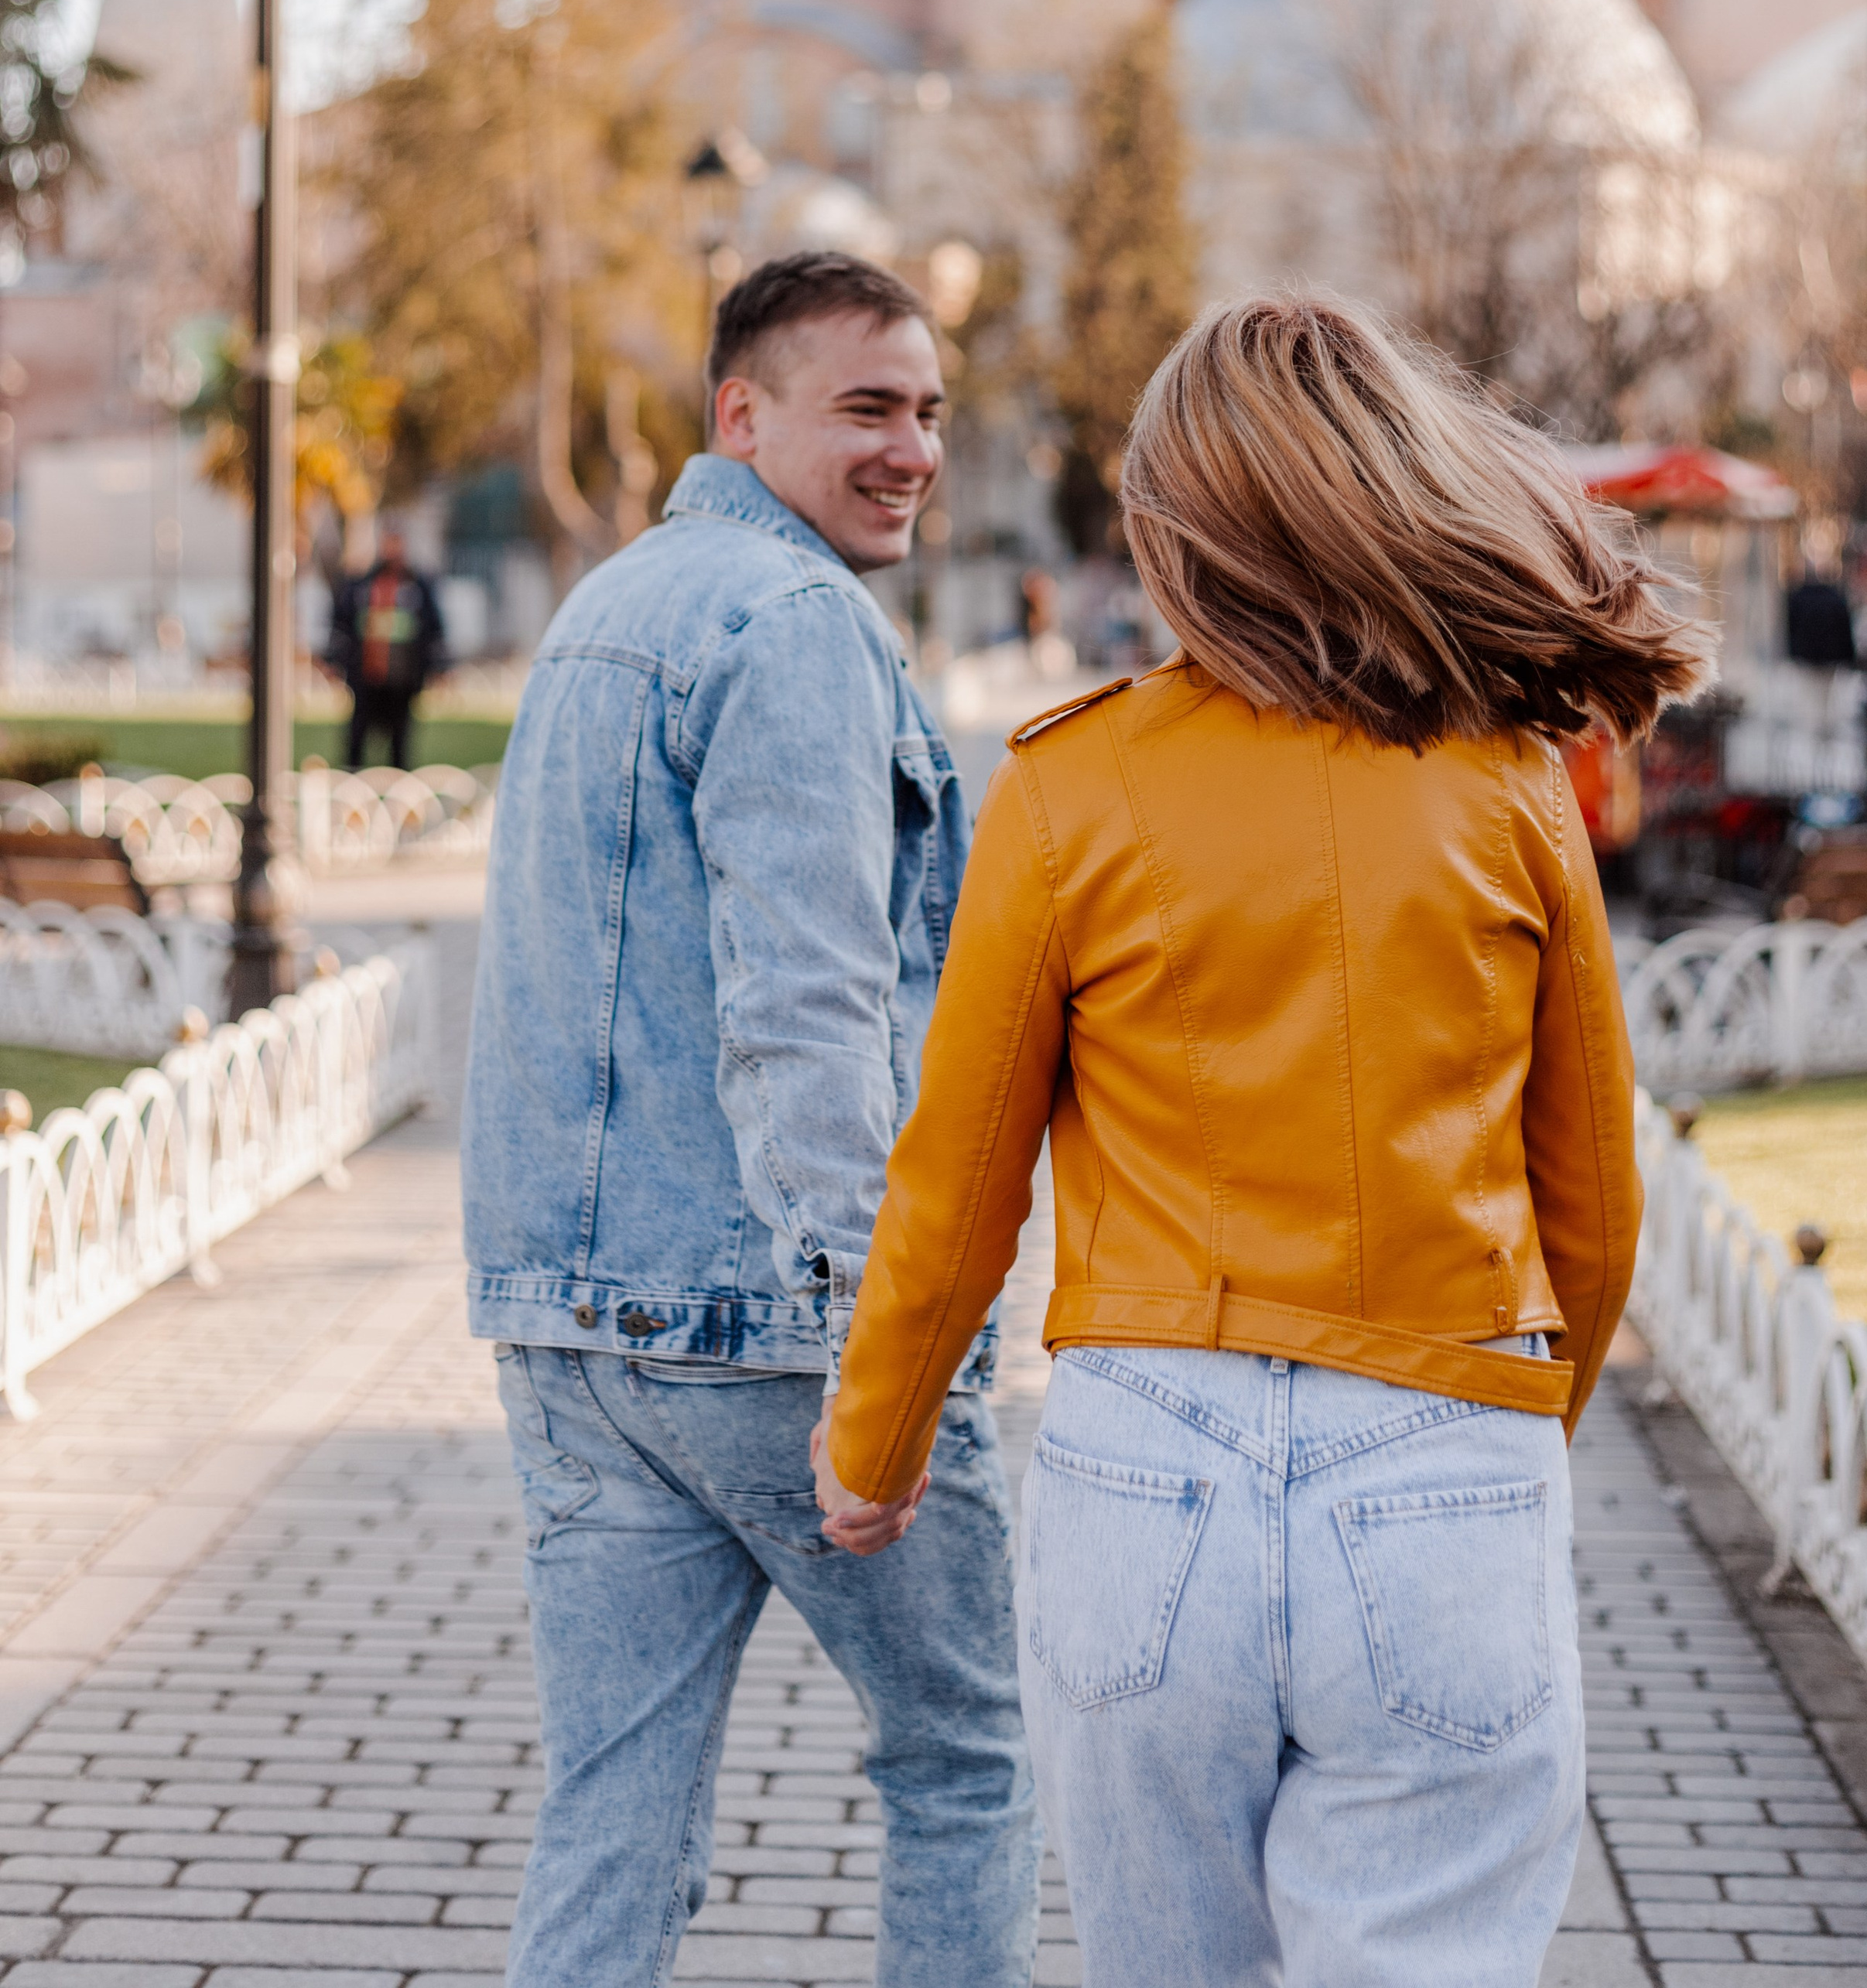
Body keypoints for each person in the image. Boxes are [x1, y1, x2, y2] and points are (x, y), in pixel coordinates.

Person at [817, 292, 1711, 1988]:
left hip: (1142, 1466)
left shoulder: (1068, 787)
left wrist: (873, 1447)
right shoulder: (1508, 783)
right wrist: (1519, 1435)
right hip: (1446, 1424)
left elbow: (957, 1179)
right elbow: (1589, 1194)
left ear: (1171, 534)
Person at [460, 250, 1039, 1988]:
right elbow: (808, 1012)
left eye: (929, 412)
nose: (912, 449)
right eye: (866, 407)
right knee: (961, 1762)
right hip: (775, 1325)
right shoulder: (790, 629)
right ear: (741, 412)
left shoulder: (609, 605)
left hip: (569, 1326)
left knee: (612, 1811)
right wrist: (892, 1338)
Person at [325, 523, 448, 770]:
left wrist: (437, 666)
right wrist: (335, 660)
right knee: (358, 734)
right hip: (366, 674)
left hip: (403, 676)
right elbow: (342, 624)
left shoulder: (418, 586)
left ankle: (398, 786)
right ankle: (353, 780)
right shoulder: (362, 584)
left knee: (400, 738)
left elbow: (434, 628)